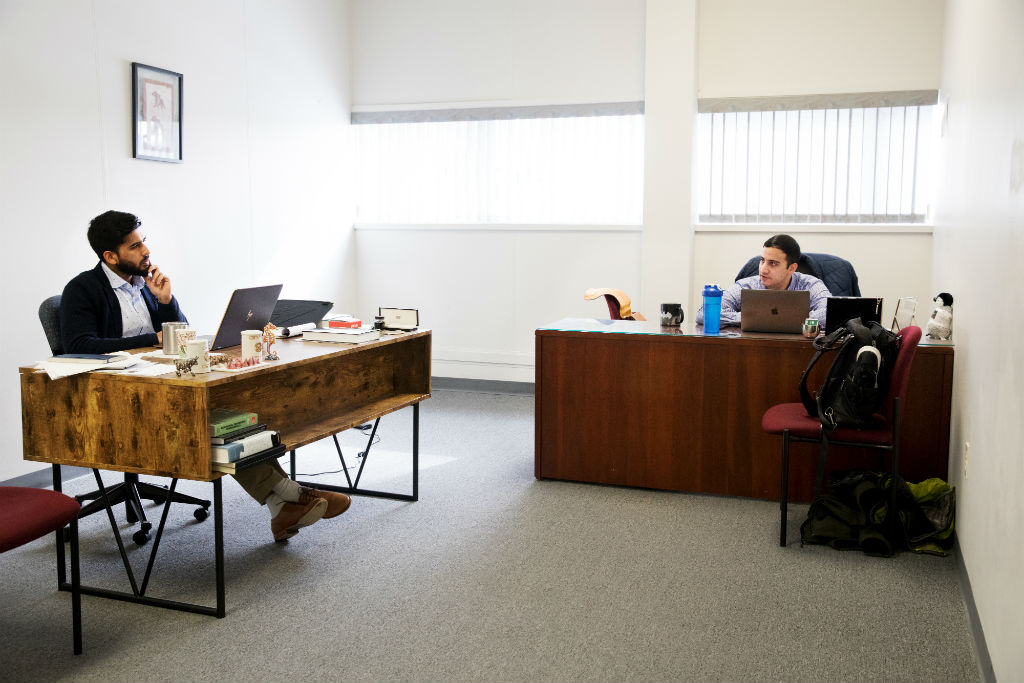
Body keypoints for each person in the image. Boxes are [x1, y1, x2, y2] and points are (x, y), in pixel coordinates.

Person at [60, 210, 350, 541]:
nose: (146, 252)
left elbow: (180, 333)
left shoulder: (145, 286)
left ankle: (280, 506)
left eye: (144, 243)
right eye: (135, 246)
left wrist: (166, 301)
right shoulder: (82, 289)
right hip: (115, 398)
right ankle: (292, 495)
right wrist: (150, 339)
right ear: (110, 256)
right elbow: (79, 344)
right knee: (212, 421)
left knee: (235, 415)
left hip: (161, 382)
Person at [696, 234, 831, 328]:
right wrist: (753, 318)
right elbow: (704, 313)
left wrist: (777, 318)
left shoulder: (811, 284)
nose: (763, 269)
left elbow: (830, 312)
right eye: (762, 261)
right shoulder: (747, 285)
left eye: (772, 263)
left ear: (791, 268)